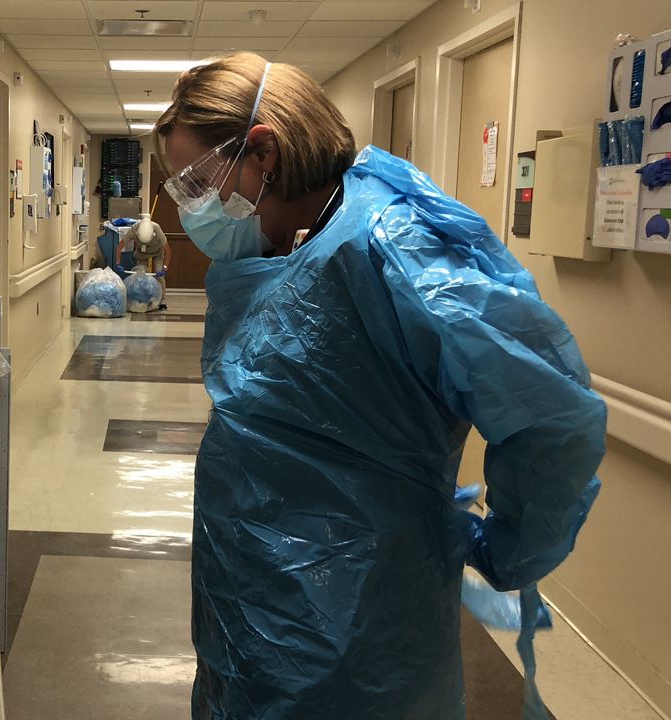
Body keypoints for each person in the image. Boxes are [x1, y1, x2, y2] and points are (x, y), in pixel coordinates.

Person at [153, 52, 606, 719]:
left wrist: (513, 546)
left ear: (264, 152)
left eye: (197, 180)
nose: (191, 205)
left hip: (358, 618)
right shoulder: (294, 251)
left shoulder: (393, 246)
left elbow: (550, 413)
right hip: (249, 594)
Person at [115, 212, 172, 310]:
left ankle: (162, 300)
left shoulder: (156, 228)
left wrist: (165, 268)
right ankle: (142, 298)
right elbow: (120, 245)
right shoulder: (134, 229)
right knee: (140, 275)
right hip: (142, 253)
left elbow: (168, 250)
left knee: (160, 275)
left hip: (157, 252)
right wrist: (118, 263)